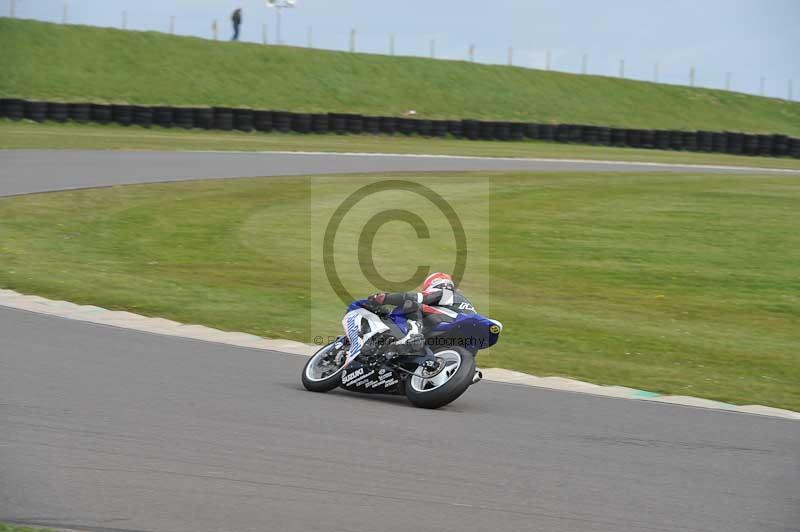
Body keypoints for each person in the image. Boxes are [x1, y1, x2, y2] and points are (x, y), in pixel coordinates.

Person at [343, 272, 477, 360]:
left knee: (411, 304)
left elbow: (414, 297)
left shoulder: (447, 292)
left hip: (446, 323)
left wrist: (385, 298)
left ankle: (413, 335)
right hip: (462, 342)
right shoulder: (463, 302)